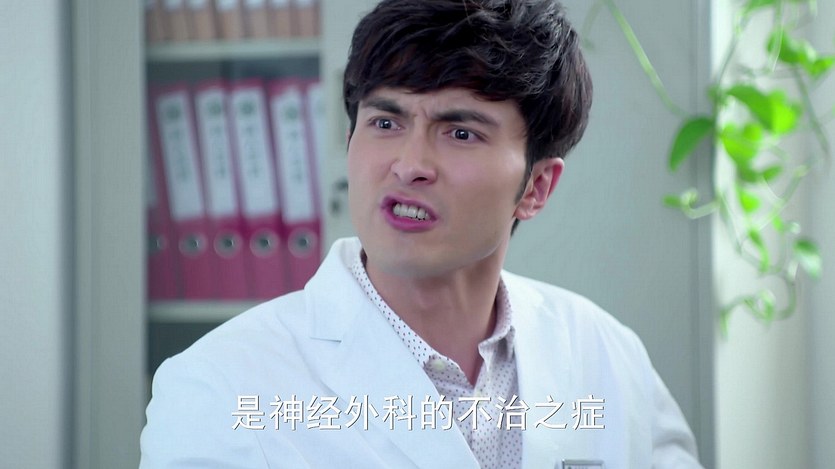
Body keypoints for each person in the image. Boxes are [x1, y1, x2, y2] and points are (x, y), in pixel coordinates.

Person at [140, 0, 703, 467]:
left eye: (460, 133)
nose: (409, 165)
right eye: (385, 123)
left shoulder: (608, 356)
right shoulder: (220, 386)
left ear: (535, 187)